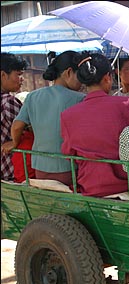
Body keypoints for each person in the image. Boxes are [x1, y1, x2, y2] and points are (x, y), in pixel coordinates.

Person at [4, 51, 86, 186]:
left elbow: (17, 126)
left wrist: (14, 142)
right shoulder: (79, 98)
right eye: (80, 76)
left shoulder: (33, 96)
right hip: (68, 167)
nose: (83, 81)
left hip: (40, 166)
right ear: (69, 72)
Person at [60, 52, 129, 197]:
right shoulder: (126, 105)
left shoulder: (67, 115)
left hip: (90, 186)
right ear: (107, 77)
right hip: (126, 184)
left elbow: (68, 152)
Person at [1, 52, 28, 181]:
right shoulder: (8, 102)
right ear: (2, 75)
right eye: (18, 74)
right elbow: (27, 131)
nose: (22, 79)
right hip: (9, 169)